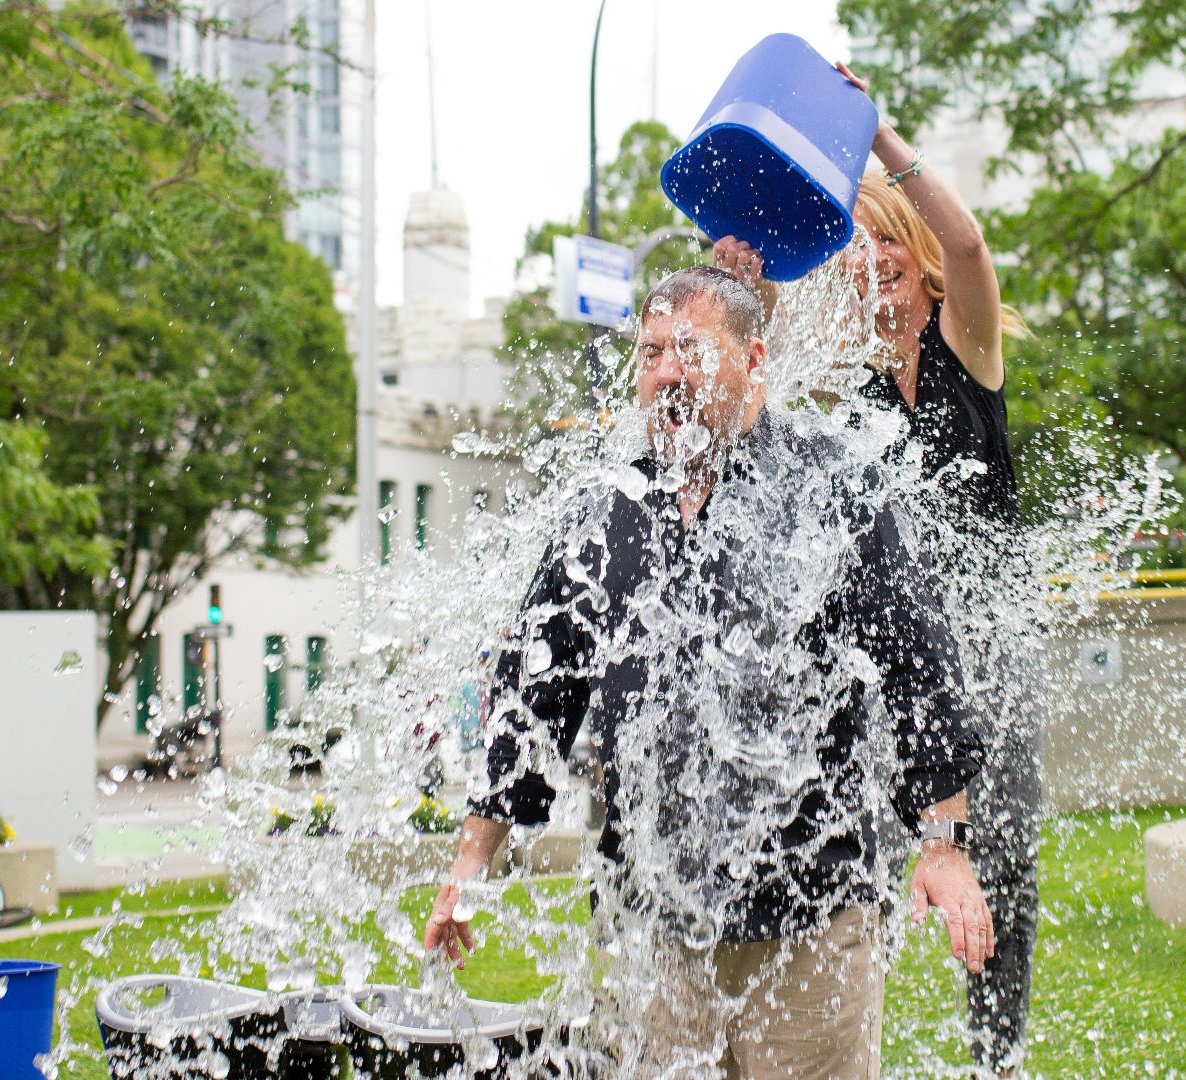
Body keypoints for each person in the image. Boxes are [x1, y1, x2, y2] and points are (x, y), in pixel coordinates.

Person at [422, 266, 993, 1078]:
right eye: (652, 351)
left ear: (754, 357)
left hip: (810, 920)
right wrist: (469, 866)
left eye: (691, 350)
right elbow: (533, 698)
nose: (667, 372)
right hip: (652, 923)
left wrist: (942, 843)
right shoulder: (605, 507)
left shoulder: (831, 485)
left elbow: (920, 666)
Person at [716, 61, 1041, 1078]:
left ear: (919, 266)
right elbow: (756, 410)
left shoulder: (967, 352)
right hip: (900, 664)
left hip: (990, 661)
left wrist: (885, 142)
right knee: (854, 846)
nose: (873, 278)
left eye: (889, 260)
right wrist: (745, 290)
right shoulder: (850, 403)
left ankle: (996, 1059)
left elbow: (972, 243)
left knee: (1001, 863)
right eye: (859, 265)